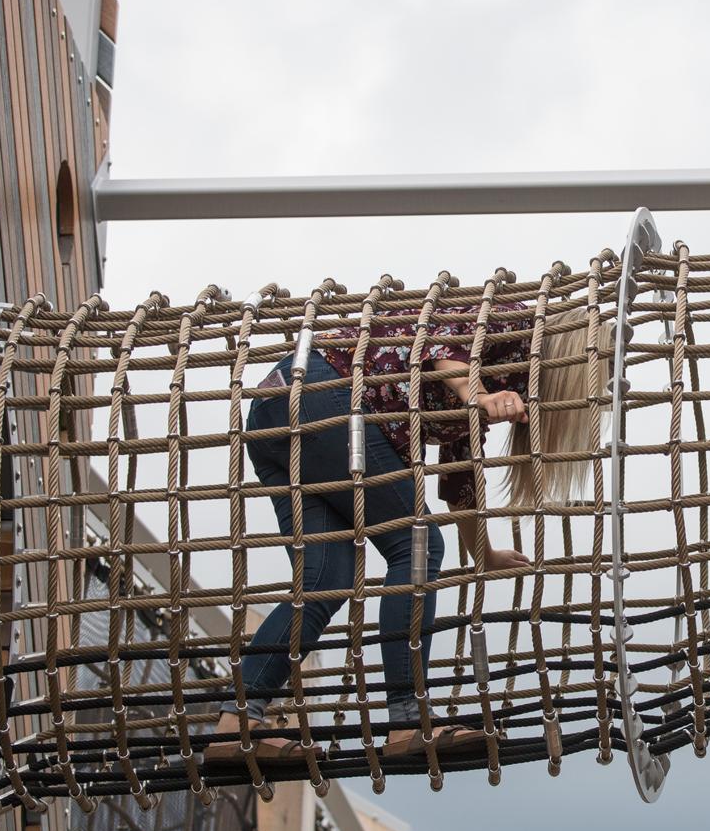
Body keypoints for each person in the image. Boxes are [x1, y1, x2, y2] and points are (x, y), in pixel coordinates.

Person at [208, 300, 602, 762]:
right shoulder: (518, 325)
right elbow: (445, 338)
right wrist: (473, 391)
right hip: (324, 391)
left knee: (324, 579)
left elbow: (459, 476)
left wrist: (484, 552)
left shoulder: (490, 388)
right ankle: (405, 721)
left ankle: (235, 725)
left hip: (278, 411)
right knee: (415, 542)